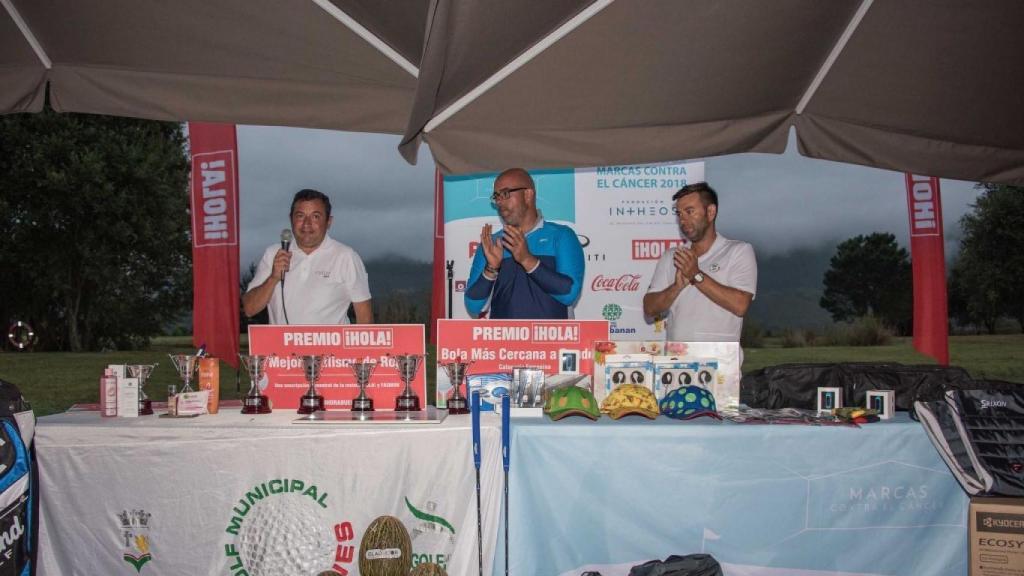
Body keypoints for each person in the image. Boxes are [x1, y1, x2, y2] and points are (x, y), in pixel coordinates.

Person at [643, 182, 756, 344]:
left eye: (690, 212)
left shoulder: (738, 251)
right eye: (679, 214)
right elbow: (649, 309)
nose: (683, 220)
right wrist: (676, 287)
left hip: (721, 364)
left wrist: (696, 275)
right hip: (678, 363)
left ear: (710, 212)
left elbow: (740, 305)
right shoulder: (671, 256)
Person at [465, 168, 585, 319]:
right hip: (503, 341)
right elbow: (473, 305)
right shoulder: (492, 244)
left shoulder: (562, 236)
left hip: (553, 341)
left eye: (505, 194)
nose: (500, 202)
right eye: (496, 196)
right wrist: (491, 269)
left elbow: (569, 294)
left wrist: (527, 260)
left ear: (528, 194)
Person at [243, 189, 373, 324]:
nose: (307, 224)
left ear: (329, 222)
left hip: (331, 345)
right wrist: (273, 278)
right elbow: (249, 309)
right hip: (281, 345)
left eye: (315, 216)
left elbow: (365, 319)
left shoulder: (346, 257)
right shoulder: (273, 254)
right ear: (290, 219)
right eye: (300, 216)